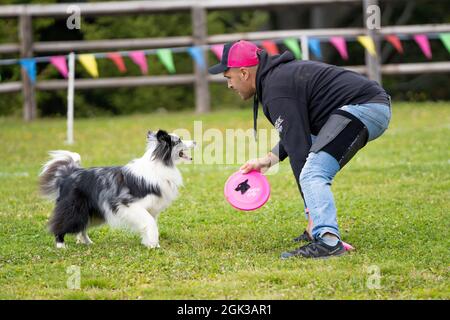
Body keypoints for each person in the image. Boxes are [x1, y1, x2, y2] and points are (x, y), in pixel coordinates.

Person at [208, 40, 391, 259]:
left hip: (364, 108)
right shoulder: (275, 80)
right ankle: (317, 229)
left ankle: (328, 241)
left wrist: (310, 211)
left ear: (245, 73)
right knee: (311, 169)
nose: (229, 85)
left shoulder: (276, 89)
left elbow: (299, 148)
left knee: (312, 173)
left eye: (228, 78)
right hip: (360, 108)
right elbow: (296, 131)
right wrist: (268, 159)